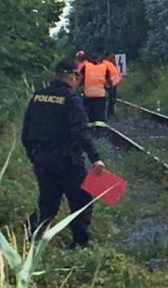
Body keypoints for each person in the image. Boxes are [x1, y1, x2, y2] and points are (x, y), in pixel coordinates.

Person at [21, 58, 106, 248]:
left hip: (42, 160)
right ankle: (80, 243)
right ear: (72, 76)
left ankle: (29, 238)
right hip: (67, 161)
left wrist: (34, 157)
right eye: (78, 76)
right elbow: (80, 131)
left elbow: (25, 133)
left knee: (48, 203)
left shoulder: (38, 96)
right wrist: (95, 158)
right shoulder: (71, 99)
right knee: (81, 200)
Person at [82, 54, 117, 124]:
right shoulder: (104, 67)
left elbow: (80, 78)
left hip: (88, 95)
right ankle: (99, 129)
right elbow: (109, 80)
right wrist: (111, 88)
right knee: (100, 113)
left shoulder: (86, 67)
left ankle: (91, 128)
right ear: (99, 59)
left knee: (89, 113)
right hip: (100, 95)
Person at [102, 51, 122, 118]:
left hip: (113, 83)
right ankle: (109, 114)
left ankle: (111, 113)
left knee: (112, 98)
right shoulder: (105, 63)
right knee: (111, 99)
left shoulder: (110, 63)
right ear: (107, 56)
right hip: (109, 84)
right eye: (111, 56)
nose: (113, 57)